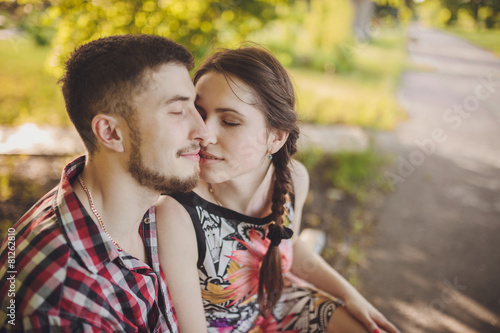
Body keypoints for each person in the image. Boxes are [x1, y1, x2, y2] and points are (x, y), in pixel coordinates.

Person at [156, 46, 401, 333]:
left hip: (275, 303)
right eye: (199, 113)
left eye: (230, 121)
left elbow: (289, 247)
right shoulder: (177, 212)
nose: (204, 133)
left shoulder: (292, 179)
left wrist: (350, 295)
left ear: (276, 137)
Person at [0, 34, 209, 332]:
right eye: (177, 112)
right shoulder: (65, 305)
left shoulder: (142, 203)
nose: (204, 132)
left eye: (195, 109)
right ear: (110, 133)